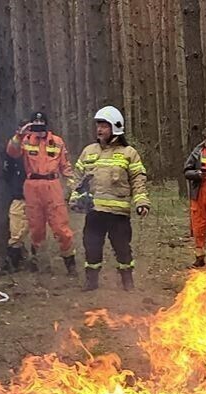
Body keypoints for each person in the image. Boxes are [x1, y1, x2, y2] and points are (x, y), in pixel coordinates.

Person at [71, 106, 150, 291]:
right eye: (98, 125)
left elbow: (138, 180)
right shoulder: (89, 151)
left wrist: (142, 202)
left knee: (123, 249)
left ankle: (127, 282)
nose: (99, 129)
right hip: (94, 212)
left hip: (118, 214)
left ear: (115, 127)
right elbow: (77, 178)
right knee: (91, 247)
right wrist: (75, 198)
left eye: (104, 125)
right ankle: (91, 282)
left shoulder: (129, 153)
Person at [6, 111, 77, 277]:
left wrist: (73, 186)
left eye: (41, 123)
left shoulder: (57, 141)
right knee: (36, 228)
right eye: (35, 123)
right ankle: (39, 261)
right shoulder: (25, 140)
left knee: (61, 228)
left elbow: (65, 166)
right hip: (32, 186)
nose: (38, 126)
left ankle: (70, 262)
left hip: (53, 185)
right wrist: (19, 134)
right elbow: (12, 152)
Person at [183, 126, 206, 268]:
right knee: (198, 226)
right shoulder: (198, 152)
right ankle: (199, 257)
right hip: (198, 195)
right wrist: (198, 174)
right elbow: (186, 170)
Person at [4, 123, 30, 271]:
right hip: (18, 194)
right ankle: (13, 261)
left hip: (39, 195)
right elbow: (11, 151)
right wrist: (19, 136)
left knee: (36, 231)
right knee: (16, 231)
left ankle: (35, 259)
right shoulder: (16, 146)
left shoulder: (42, 146)